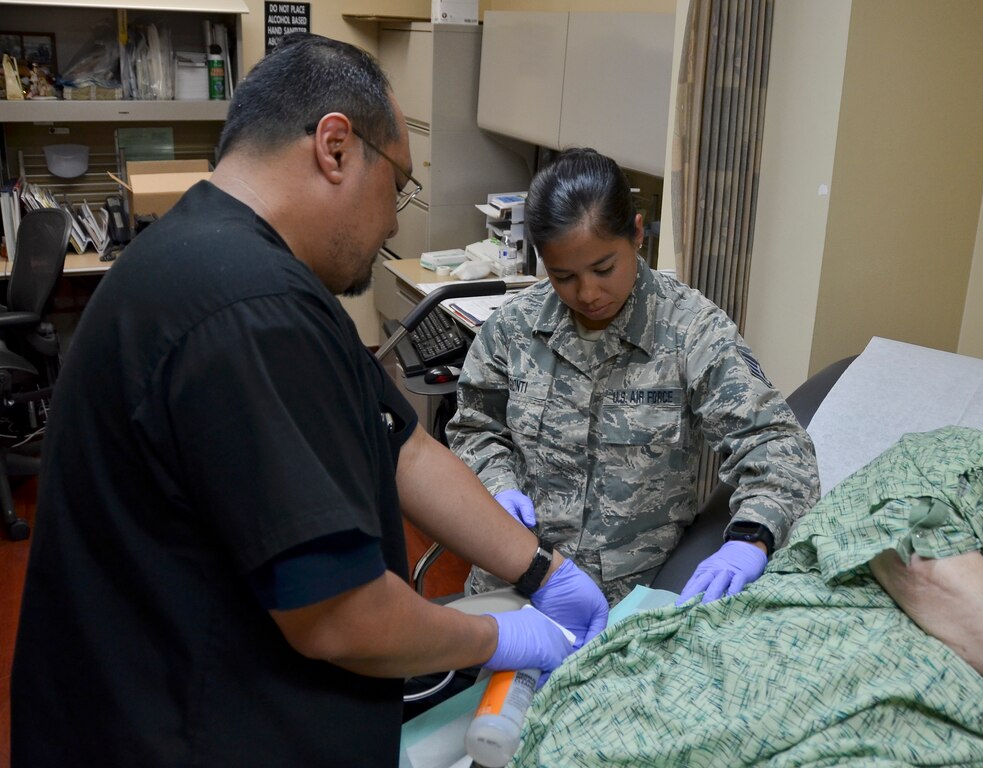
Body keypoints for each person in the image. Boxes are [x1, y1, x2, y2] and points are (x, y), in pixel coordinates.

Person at [10, 35, 608, 768]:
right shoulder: (248, 309)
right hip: (181, 731)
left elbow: (402, 447)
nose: (394, 223)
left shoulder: (228, 258)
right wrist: (499, 638)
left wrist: (543, 572)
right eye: (398, 185)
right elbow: (342, 618)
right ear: (334, 147)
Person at [513, 427, 983, 767]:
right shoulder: (974, 468)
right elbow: (915, 552)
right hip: (737, 695)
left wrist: (753, 531)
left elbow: (773, 447)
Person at [445, 148, 820, 604]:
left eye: (604, 268)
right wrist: (497, 487)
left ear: (638, 234)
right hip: (515, 578)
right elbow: (474, 429)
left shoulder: (690, 331)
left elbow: (777, 446)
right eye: (564, 276)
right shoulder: (513, 327)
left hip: (627, 599)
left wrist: (751, 536)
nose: (588, 293)